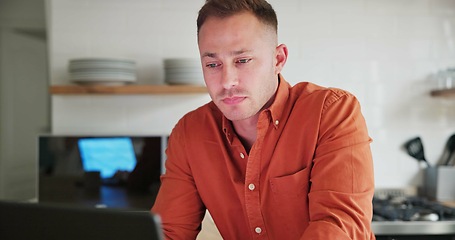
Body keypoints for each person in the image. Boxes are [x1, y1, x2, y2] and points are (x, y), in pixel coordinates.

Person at [152, 0, 376, 239]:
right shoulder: (190, 132)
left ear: (278, 59)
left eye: (242, 60)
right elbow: (169, 232)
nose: (227, 81)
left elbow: (339, 226)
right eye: (213, 64)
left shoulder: (331, 111)